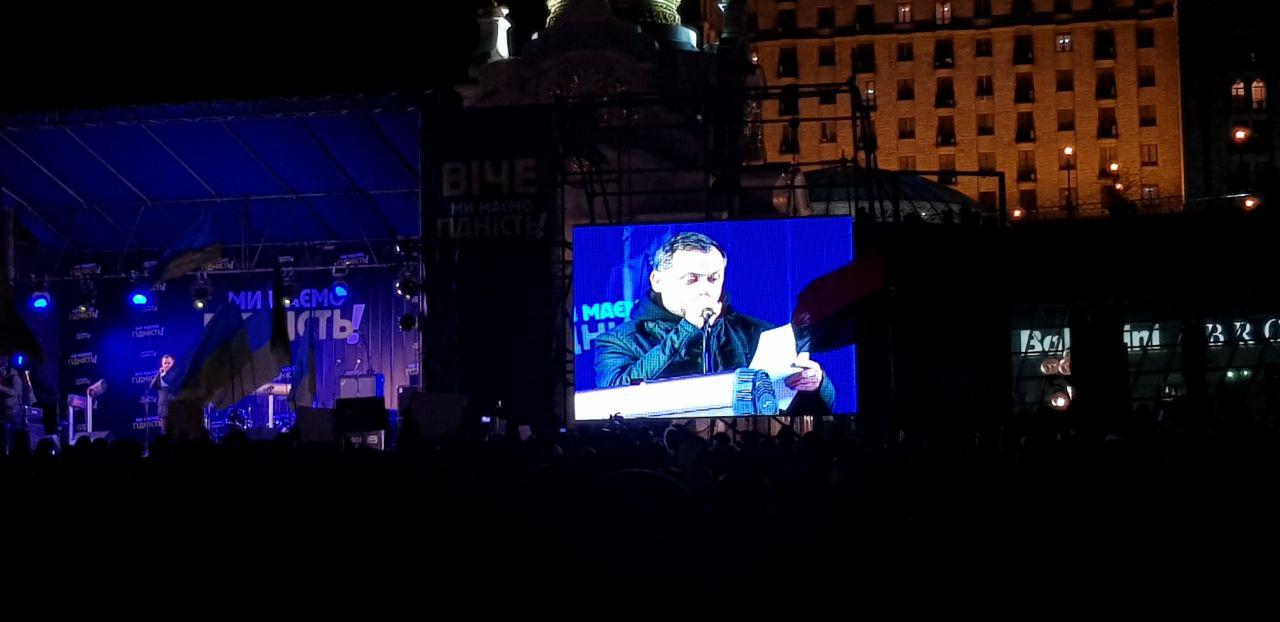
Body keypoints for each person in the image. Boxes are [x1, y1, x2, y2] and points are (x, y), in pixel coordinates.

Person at [593, 232, 835, 410]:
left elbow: (815, 406)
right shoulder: (619, 340)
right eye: (691, 279)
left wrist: (817, 383)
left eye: (713, 278)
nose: (705, 289)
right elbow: (613, 395)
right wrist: (687, 329)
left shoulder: (757, 332)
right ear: (658, 281)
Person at [0, 357, 35, 454]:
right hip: (5, 411)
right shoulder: (6, 377)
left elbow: (14, 392)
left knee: (10, 436)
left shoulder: (14, 376)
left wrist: (1, 388)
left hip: (13, 411)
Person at [149, 354, 176, 433]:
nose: (167, 365)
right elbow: (152, 386)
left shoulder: (178, 374)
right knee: (165, 432)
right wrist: (159, 374)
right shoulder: (159, 376)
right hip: (163, 410)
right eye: (165, 363)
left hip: (176, 409)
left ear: (173, 363)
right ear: (162, 364)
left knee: (177, 433)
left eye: (169, 363)